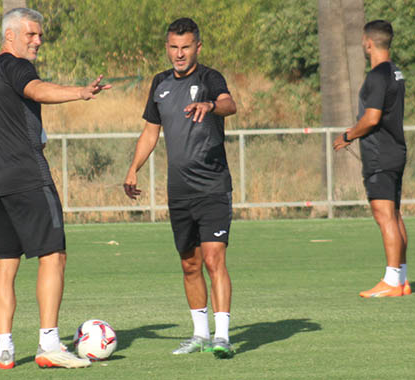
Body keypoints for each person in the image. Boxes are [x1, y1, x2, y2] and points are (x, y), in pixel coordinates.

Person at [0, 7, 110, 369]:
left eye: (39, 35)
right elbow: (36, 90)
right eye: (31, 34)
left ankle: (4, 349)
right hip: (28, 176)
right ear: (10, 35)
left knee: (6, 264)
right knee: (53, 255)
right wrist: (81, 92)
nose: (38, 41)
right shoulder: (16, 66)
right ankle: (49, 345)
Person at [123, 17, 237, 358]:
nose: (179, 53)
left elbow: (231, 104)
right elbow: (150, 132)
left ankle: (223, 336)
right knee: (190, 263)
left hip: (213, 185)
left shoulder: (209, 78)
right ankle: (200, 335)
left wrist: (211, 105)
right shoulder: (159, 84)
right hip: (180, 190)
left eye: (186, 46)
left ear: (197, 47)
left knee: (214, 258)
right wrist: (133, 170)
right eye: (173, 47)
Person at [333, 20, 409, 298]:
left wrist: (348, 135)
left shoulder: (377, 75)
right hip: (396, 151)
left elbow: (372, 118)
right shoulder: (396, 71)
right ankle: (402, 278)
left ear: (368, 42)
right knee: (395, 215)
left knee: (384, 216)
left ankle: (391, 281)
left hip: (380, 155)